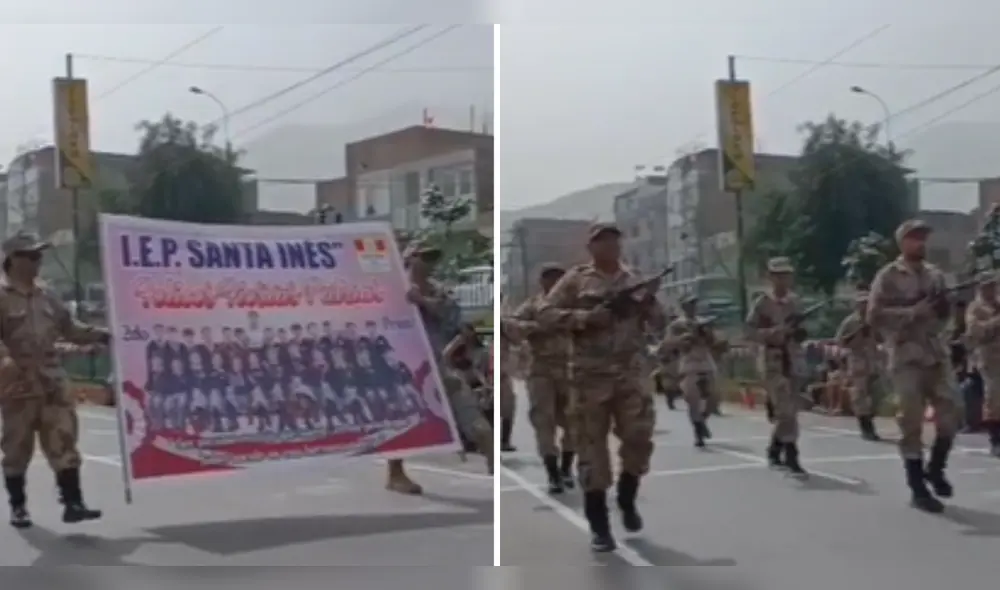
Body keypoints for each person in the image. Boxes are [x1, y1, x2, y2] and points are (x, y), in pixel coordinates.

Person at [537, 223, 665, 552]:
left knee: (639, 439)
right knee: (591, 451)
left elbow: (660, 322)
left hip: (630, 375)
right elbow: (545, 314)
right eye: (601, 241)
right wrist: (584, 319)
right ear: (591, 247)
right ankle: (599, 525)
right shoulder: (576, 280)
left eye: (614, 240)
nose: (609, 246)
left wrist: (649, 302)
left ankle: (627, 495)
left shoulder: (634, 278)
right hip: (588, 378)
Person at [0, 232, 109, 528]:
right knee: (16, 447)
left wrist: (101, 334)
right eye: (31, 256)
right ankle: (18, 507)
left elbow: (69, 328)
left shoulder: (47, 295)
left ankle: (73, 502)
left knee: (64, 439)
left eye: (39, 256)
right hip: (17, 385)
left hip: (52, 381)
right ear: (13, 260)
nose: (38, 261)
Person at [385, 240, 494, 495]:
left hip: (439, 365)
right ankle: (395, 473)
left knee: (477, 422)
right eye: (425, 257)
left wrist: (422, 300)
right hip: (406, 366)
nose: (430, 263)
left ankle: (492, 463)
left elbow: (455, 320)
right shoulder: (394, 289)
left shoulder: (440, 292)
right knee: (405, 422)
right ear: (410, 259)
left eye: (433, 257)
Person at [867, 219, 960, 513]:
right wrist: (909, 313)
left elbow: (946, 314)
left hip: (934, 353)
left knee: (952, 414)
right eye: (915, 238)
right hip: (906, 356)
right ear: (902, 242)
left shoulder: (935, 276)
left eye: (923, 238)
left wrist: (943, 308)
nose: (921, 243)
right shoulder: (888, 276)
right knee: (911, 420)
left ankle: (935, 468)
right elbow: (874, 315)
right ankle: (917, 487)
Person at [507, 264, 575, 494]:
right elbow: (511, 326)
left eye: (560, 279)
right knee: (543, 422)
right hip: (541, 369)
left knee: (574, 422)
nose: (557, 284)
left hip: (569, 368)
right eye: (552, 279)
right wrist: (537, 327)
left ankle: (567, 467)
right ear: (543, 282)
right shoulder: (533, 305)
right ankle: (552, 472)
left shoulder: (572, 305)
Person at [745, 257, 808, 478]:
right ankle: (791, 453)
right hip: (771, 359)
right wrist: (774, 332)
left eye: (787, 275)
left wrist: (797, 331)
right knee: (785, 408)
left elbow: (802, 332)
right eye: (778, 275)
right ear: (770, 277)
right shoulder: (762, 303)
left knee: (791, 408)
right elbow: (751, 332)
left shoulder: (795, 302)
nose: (783, 280)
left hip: (792, 358)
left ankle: (775, 447)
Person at [661, 294, 725, 447]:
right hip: (689, 361)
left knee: (714, 397)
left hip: (705, 360)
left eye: (694, 304)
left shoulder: (702, 321)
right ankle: (698, 430)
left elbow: (715, 342)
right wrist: (686, 337)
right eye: (689, 304)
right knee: (693, 398)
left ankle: (702, 420)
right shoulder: (677, 325)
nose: (692, 307)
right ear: (683, 306)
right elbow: (668, 343)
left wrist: (706, 333)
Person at [835, 292, 883, 440]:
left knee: (878, 394)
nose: (865, 306)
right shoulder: (850, 322)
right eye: (862, 303)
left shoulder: (875, 320)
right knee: (860, 395)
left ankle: (870, 416)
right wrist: (856, 334)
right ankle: (866, 426)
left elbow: (883, 337)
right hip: (857, 360)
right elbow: (840, 341)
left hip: (874, 359)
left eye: (867, 303)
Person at [964, 271, 1000, 457]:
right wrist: (996, 322)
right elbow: (975, 331)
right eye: (987, 286)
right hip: (990, 358)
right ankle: (996, 439)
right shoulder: (975, 309)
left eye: (993, 285)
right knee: (994, 396)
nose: (991, 290)